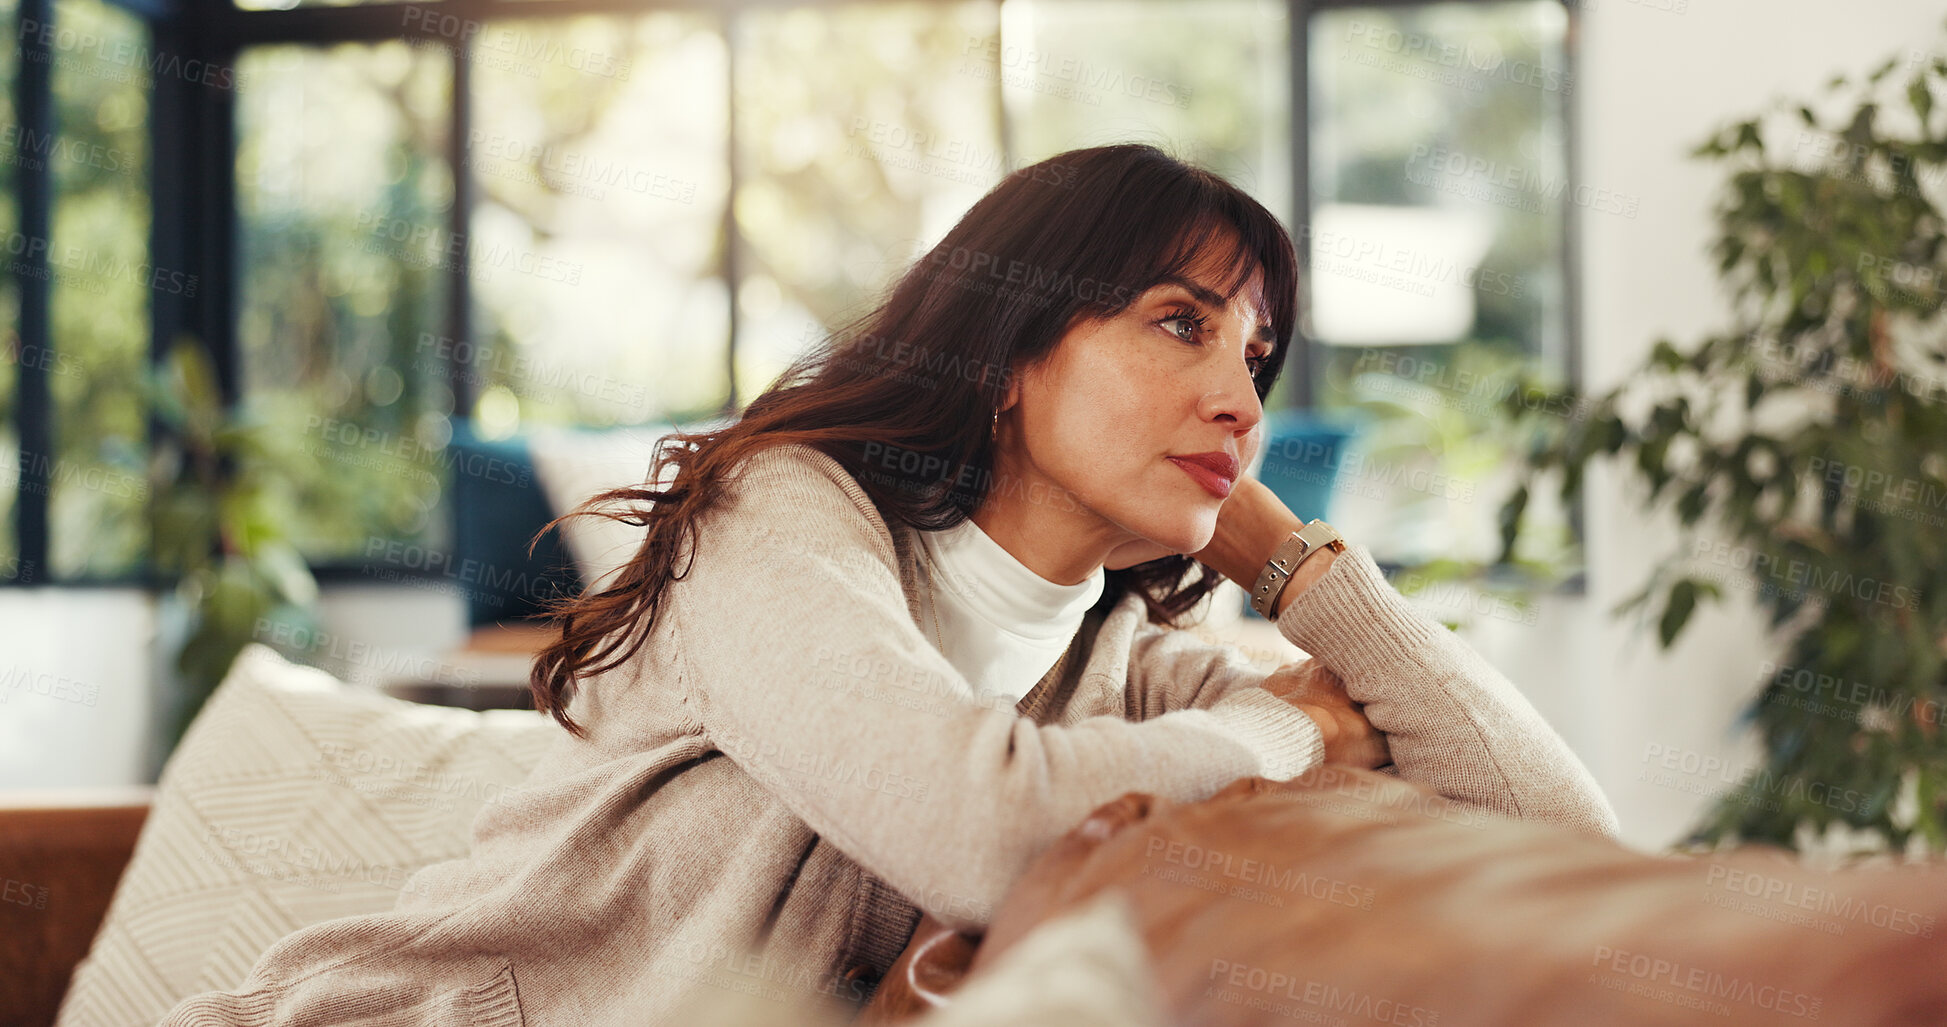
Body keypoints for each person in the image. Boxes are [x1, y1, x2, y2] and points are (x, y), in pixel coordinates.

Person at [161, 143, 1614, 1027]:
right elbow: (974, 825)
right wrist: (1292, 733)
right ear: (1011, 350)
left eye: (1254, 352)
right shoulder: (780, 516)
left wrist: (1292, 564)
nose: (1239, 395)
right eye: (1181, 324)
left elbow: (1563, 830)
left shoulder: (1128, 680)